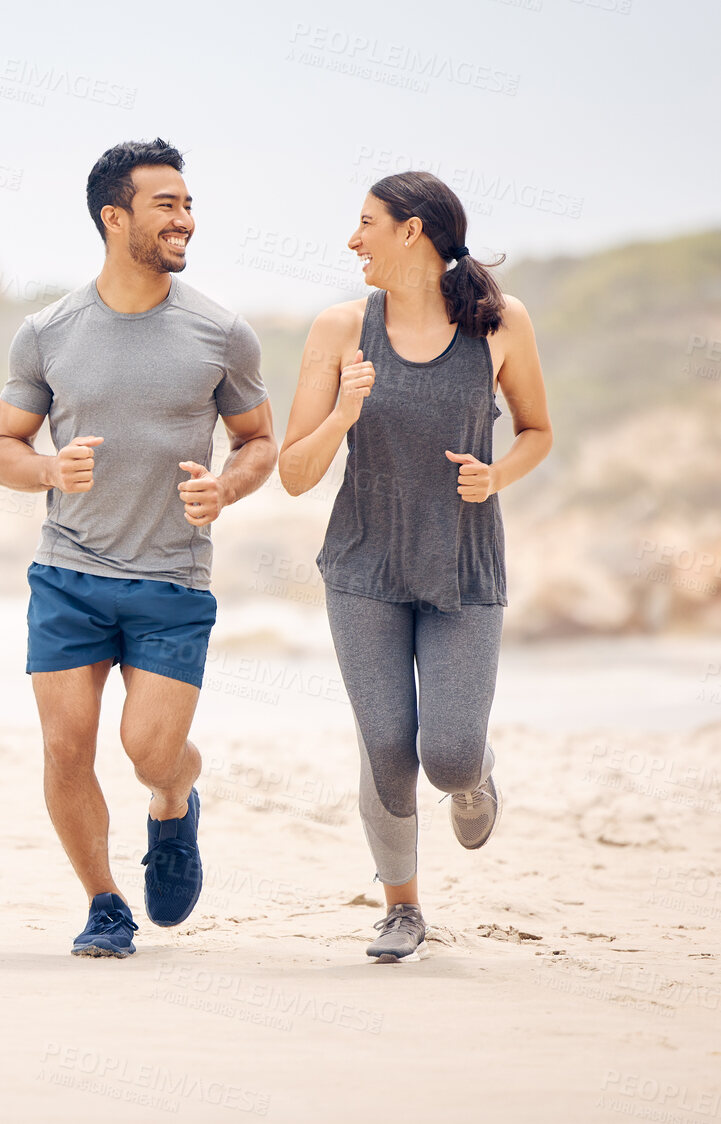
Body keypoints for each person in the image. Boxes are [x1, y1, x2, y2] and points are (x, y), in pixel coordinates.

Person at [0, 139, 276, 957]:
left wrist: (226, 488)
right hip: (68, 572)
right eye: (166, 204)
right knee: (63, 746)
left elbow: (259, 443)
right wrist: (45, 465)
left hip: (170, 578)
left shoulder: (221, 333)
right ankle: (104, 904)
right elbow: (1, 447)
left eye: (187, 204)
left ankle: (174, 801)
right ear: (115, 218)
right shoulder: (47, 331)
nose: (185, 218)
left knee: (149, 751)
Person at [277, 171, 552, 962]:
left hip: (463, 570)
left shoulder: (499, 323)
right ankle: (400, 909)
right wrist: (342, 414)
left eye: (365, 223)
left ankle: (476, 778)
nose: (352, 240)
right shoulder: (338, 328)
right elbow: (294, 473)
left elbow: (535, 430)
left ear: (412, 231)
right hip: (363, 568)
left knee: (449, 753)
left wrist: (496, 476)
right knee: (388, 751)